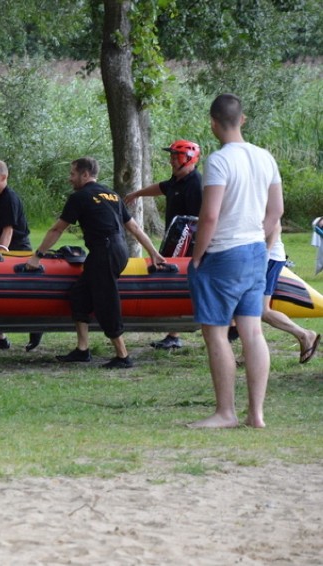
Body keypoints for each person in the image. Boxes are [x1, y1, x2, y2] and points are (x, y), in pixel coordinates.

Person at [187, 93, 283, 429]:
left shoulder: (219, 161)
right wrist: (260, 239)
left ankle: (225, 412)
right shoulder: (265, 157)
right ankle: (255, 414)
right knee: (253, 332)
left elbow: (209, 216)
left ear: (213, 123)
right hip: (257, 251)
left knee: (215, 334)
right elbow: (276, 212)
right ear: (242, 119)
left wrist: (197, 257)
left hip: (223, 254)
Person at [18, 157, 166, 369]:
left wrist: (37, 256)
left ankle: (123, 356)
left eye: (72, 174)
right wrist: (153, 252)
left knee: (106, 301)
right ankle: (82, 350)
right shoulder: (112, 195)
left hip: (104, 252)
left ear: (85, 174)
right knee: (79, 294)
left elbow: (57, 229)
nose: (70, 178)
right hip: (117, 250)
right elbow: (133, 227)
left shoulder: (79, 197)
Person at [125, 139, 203, 350]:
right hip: (175, 238)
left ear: (188, 159)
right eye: (171, 156)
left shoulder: (196, 185)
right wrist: (137, 194)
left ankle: (181, 332)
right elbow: (162, 188)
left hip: (189, 243)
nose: (171, 160)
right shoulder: (177, 180)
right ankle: (173, 334)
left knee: (184, 284)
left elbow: (201, 220)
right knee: (176, 284)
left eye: (175, 156)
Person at [0, 159, 43, 351]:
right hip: (0, 247)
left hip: (17, 250)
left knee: (23, 296)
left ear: (4, 177)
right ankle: (0, 338)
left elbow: (8, 230)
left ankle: (36, 329)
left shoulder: (9, 198)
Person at [262, 223, 320, 363]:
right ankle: (248, 354)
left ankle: (304, 334)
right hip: (261, 256)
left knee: (260, 310)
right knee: (249, 310)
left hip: (268, 258)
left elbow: (275, 224)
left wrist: (265, 252)